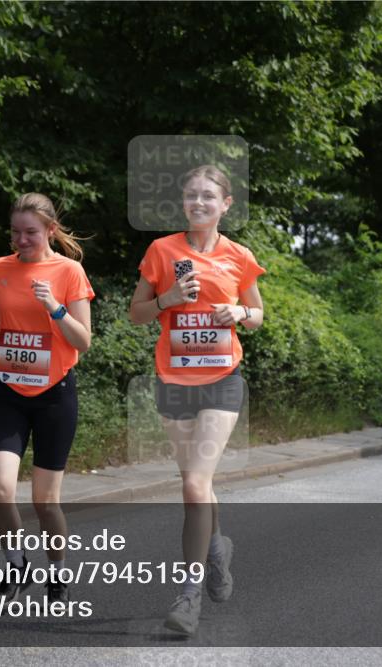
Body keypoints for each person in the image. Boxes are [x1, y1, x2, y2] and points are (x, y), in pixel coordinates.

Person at [129, 165, 266, 635]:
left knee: (193, 485)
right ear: (183, 203)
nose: (199, 203)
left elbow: (258, 315)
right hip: (173, 380)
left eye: (209, 196)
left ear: (226, 204)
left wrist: (239, 311)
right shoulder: (162, 250)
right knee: (196, 483)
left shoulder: (238, 256)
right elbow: (136, 314)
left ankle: (188, 598)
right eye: (191, 196)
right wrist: (166, 299)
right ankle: (215, 549)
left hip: (222, 381)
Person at [0, 192, 94, 606]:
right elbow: (0, 316)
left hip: (54, 396)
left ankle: (57, 575)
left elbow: (84, 340)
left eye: (30, 232)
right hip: (9, 390)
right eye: (15, 232)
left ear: (50, 231)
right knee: (1, 489)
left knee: (45, 502)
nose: (21, 240)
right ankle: (16, 564)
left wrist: (56, 308)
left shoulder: (69, 271)